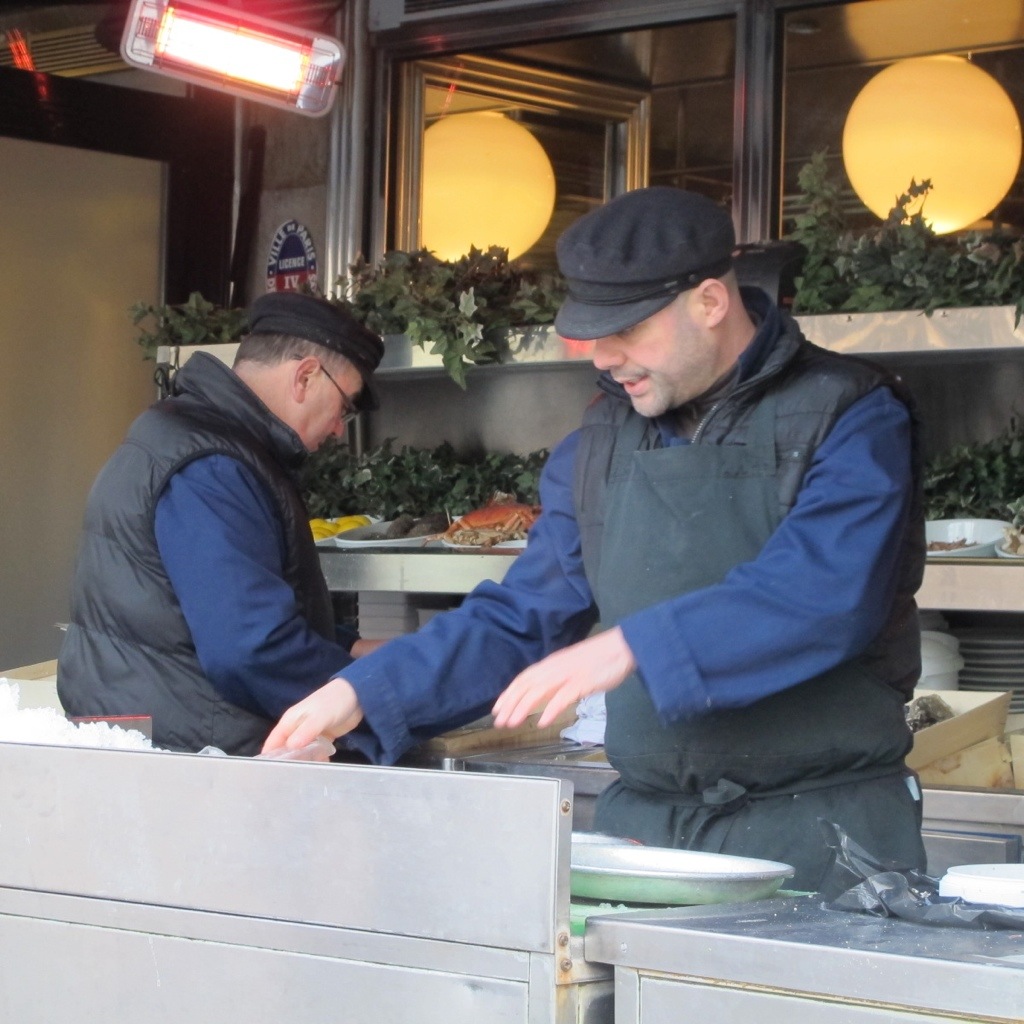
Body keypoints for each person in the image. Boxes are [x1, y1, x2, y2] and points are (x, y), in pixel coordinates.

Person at [263, 187, 928, 891]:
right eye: (591, 333)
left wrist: (633, 644)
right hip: (649, 837)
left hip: (829, 834)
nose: (603, 357)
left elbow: (822, 592)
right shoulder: (600, 442)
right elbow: (522, 616)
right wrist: (361, 692)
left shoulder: (851, 414)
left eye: (626, 331)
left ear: (709, 302)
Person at [57, 291, 384, 756]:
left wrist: (353, 649)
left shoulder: (195, 438)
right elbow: (251, 650)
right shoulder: (212, 466)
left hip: (166, 738)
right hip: (192, 757)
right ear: (306, 376)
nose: (338, 427)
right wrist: (382, 692)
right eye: (345, 406)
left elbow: (211, 612)